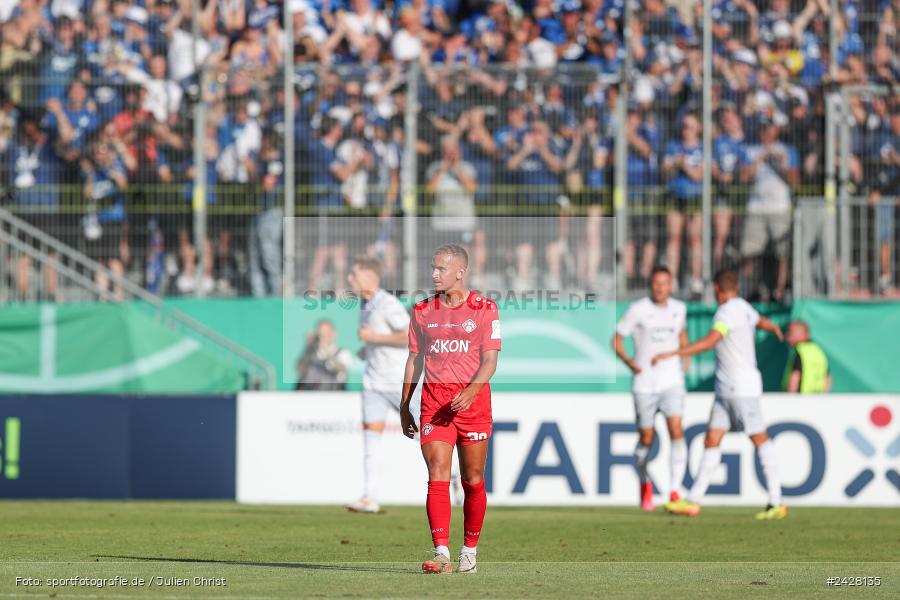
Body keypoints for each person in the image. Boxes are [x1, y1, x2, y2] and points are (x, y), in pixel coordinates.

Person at [400, 244, 502, 574]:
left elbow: (490, 361)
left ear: (460, 271)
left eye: (440, 269)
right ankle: (441, 552)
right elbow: (414, 360)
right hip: (435, 406)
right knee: (437, 471)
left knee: (473, 480)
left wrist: (472, 391)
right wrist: (405, 405)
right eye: (433, 268)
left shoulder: (485, 308)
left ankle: (469, 551)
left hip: (473, 407)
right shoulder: (422, 310)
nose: (434, 274)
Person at [653, 270, 787, 520]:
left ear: (717, 288)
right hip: (726, 390)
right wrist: (775, 328)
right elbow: (761, 322)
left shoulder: (726, 313)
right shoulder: (744, 307)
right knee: (712, 439)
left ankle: (777, 500)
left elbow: (713, 339)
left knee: (759, 438)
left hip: (740, 389)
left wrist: (675, 353)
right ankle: (693, 501)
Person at [612, 266, 689, 511]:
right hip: (645, 384)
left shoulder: (679, 309)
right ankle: (645, 483)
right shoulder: (638, 310)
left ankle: (675, 491)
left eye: (664, 283)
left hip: (672, 381)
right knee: (647, 437)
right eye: (656, 283)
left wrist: (684, 359)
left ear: (671, 285)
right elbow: (617, 339)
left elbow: (683, 335)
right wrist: (629, 362)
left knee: (676, 429)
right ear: (650, 285)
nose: (659, 288)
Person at [345, 256, 410, 514]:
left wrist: (375, 337)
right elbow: (378, 340)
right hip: (373, 383)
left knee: (425, 436)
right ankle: (369, 496)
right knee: (371, 439)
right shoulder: (365, 304)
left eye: (354, 274)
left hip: (399, 381)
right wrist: (367, 348)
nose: (350, 279)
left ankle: (453, 480)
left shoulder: (387, 303)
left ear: (369, 277)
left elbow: (408, 335)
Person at [295, 319, 352, 391]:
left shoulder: (343, 352)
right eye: (321, 334)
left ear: (334, 333)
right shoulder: (310, 352)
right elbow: (299, 370)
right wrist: (308, 347)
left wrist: (326, 351)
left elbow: (343, 369)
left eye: (327, 333)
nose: (324, 336)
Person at [783, 320, 831, 394]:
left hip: (800, 398)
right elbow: (828, 378)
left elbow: (795, 377)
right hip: (816, 398)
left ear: (803, 334)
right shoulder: (818, 351)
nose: (787, 335)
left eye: (790, 332)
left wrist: (790, 398)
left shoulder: (800, 351)